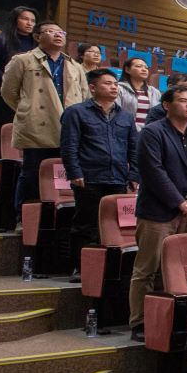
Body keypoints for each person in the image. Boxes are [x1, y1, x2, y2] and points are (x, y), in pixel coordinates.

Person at [128, 85, 187, 338]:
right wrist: (178, 201)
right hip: (158, 212)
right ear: (167, 105)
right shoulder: (152, 132)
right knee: (147, 269)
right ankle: (140, 322)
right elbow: (153, 171)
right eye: (183, 100)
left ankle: (185, 322)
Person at [1, 19, 88, 217]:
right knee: (31, 174)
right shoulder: (23, 60)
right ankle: (24, 217)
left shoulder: (75, 66)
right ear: (37, 37)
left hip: (68, 127)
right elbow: (9, 92)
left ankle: (59, 217)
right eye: (50, 31)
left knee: (65, 174)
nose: (58, 35)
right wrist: (29, 109)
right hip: (37, 126)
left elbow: (84, 96)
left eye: (61, 32)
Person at [59, 68, 136, 276]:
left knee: (113, 226)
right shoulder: (76, 112)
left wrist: (134, 175)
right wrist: (74, 172)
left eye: (115, 84)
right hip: (89, 178)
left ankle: (108, 271)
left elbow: (134, 149)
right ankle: (81, 268)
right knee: (85, 225)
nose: (114, 87)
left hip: (118, 178)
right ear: (92, 88)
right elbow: (69, 146)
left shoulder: (126, 116)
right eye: (107, 83)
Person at [0, 5, 38, 131]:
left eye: (33, 21)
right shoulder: (0, 40)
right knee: (2, 133)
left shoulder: (37, 44)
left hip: (29, 94)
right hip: (3, 93)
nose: (29, 23)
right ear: (15, 20)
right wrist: (10, 82)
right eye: (25, 19)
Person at [114, 57, 157, 131]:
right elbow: (115, 113)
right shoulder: (118, 88)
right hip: (124, 131)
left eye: (146, 68)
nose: (144, 69)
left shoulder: (155, 92)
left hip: (148, 133)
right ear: (127, 70)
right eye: (139, 66)